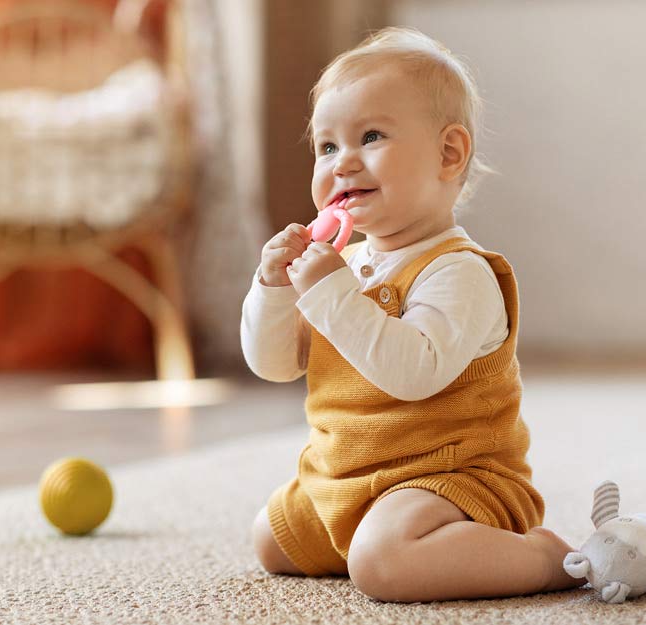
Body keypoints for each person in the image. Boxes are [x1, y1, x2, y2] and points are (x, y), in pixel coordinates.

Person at [240, 27, 584, 602]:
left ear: (448, 153)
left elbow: (413, 374)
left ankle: (543, 557)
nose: (342, 163)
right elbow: (274, 365)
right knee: (271, 540)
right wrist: (271, 289)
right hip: (345, 475)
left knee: (382, 565)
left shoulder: (459, 271)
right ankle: (377, 534)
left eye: (370, 136)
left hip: (453, 477)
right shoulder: (342, 267)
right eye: (327, 147)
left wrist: (331, 293)